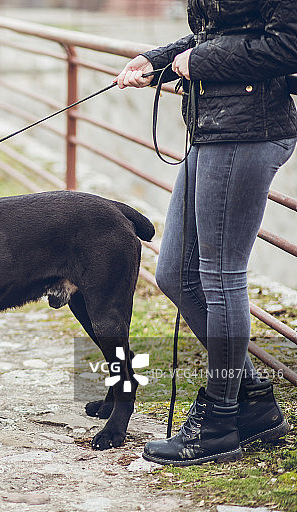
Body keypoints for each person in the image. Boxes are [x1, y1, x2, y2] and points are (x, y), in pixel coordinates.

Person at [115, 0, 297, 466]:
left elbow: (287, 46)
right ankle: (254, 403)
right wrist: (156, 61)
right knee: (175, 272)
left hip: (249, 131)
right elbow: (212, 35)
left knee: (221, 276)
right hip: (213, 127)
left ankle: (218, 422)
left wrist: (198, 63)